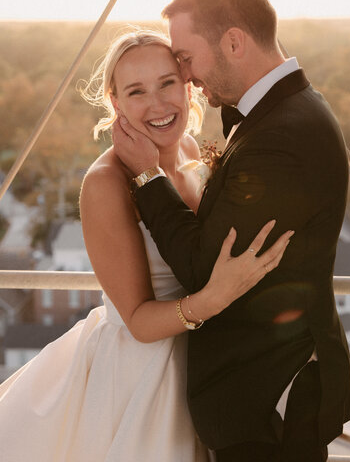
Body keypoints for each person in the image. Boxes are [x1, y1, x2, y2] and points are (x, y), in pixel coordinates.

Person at [0, 30, 292, 462]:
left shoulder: (191, 148)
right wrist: (214, 299)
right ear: (116, 103)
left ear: (187, 84)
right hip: (140, 375)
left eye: (167, 82)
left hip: (207, 364)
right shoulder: (104, 184)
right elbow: (136, 320)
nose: (157, 104)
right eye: (137, 91)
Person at [112, 0, 350, 462]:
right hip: (260, 396)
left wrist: (146, 178)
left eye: (184, 58)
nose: (185, 76)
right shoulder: (283, 114)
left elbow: (204, 267)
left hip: (270, 401)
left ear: (234, 42)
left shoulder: (281, 136)